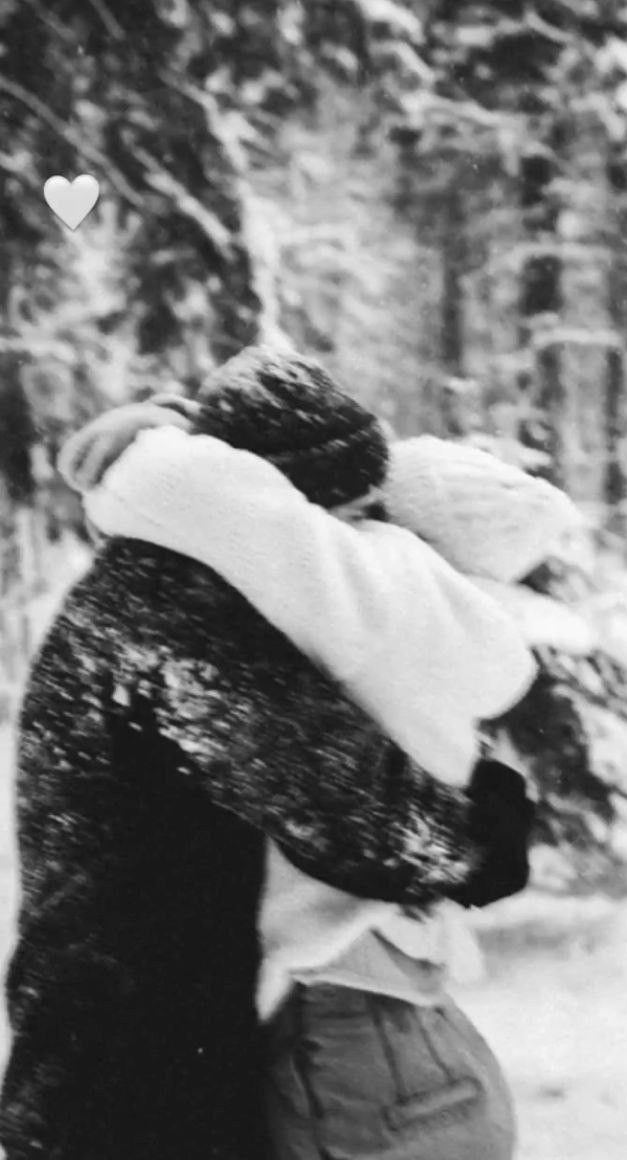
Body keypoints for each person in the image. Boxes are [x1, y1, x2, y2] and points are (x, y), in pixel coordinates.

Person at [1, 347, 537, 1160]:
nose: (347, 547)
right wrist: (484, 838)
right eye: (345, 521)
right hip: (129, 1059)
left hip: (120, 1029)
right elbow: (344, 802)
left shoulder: (147, 585)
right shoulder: (171, 602)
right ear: (279, 513)